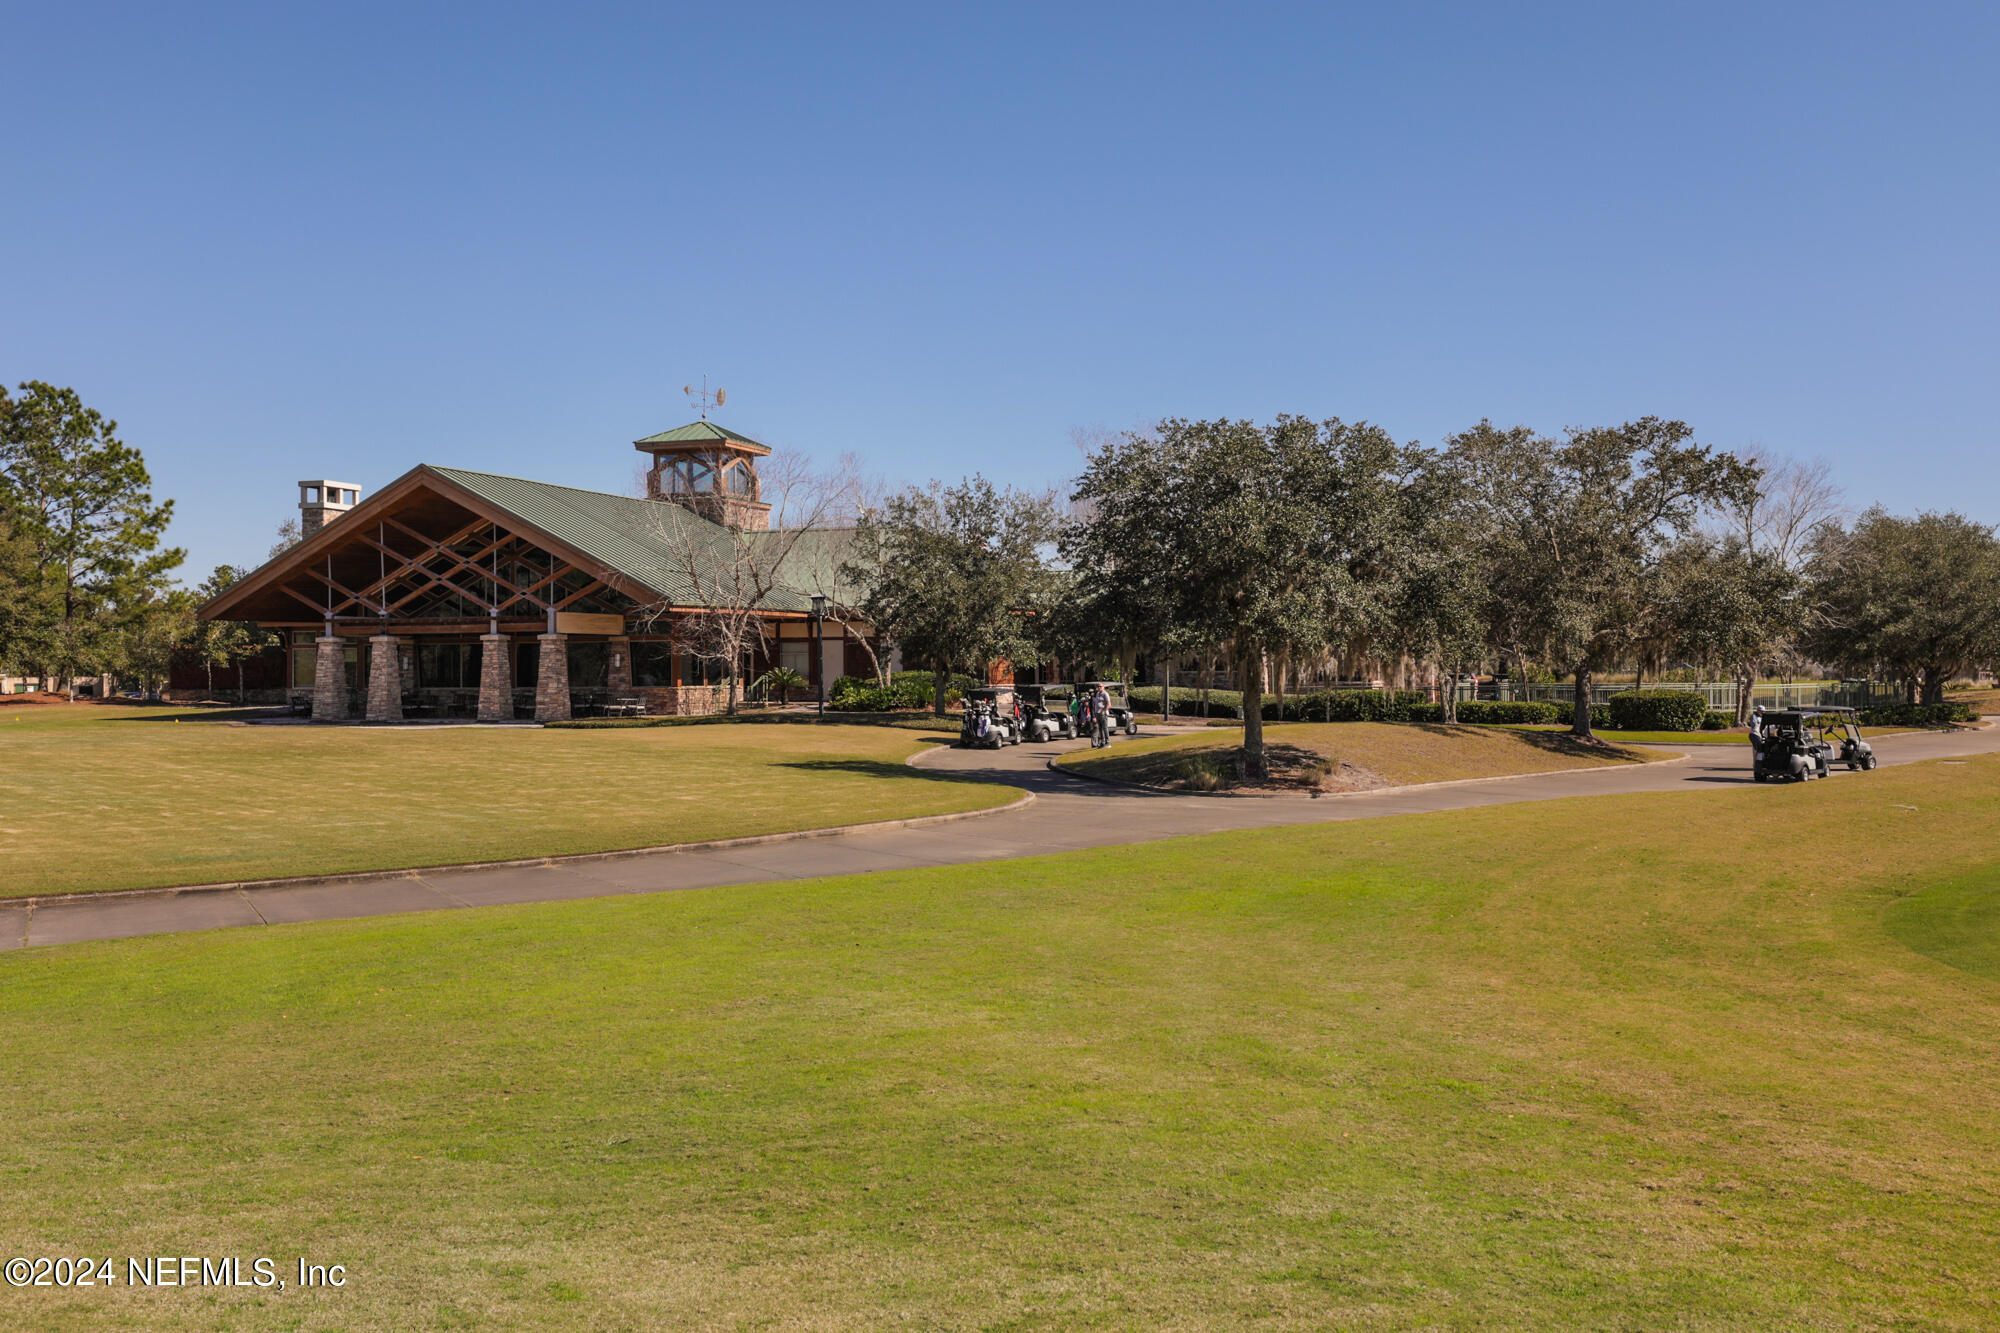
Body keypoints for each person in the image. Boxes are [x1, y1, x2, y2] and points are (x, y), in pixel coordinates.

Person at [1091, 683, 1111, 748]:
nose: (1099, 687)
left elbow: (1109, 704)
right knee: (1100, 729)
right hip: (1097, 713)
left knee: (1105, 728)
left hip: (1103, 714)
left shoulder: (1105, 694)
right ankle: (1102, 742)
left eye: (1100, 686)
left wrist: (1104, 711)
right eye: (1098, 686)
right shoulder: (1097, 694)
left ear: (1103, 687)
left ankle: (1107, 743)